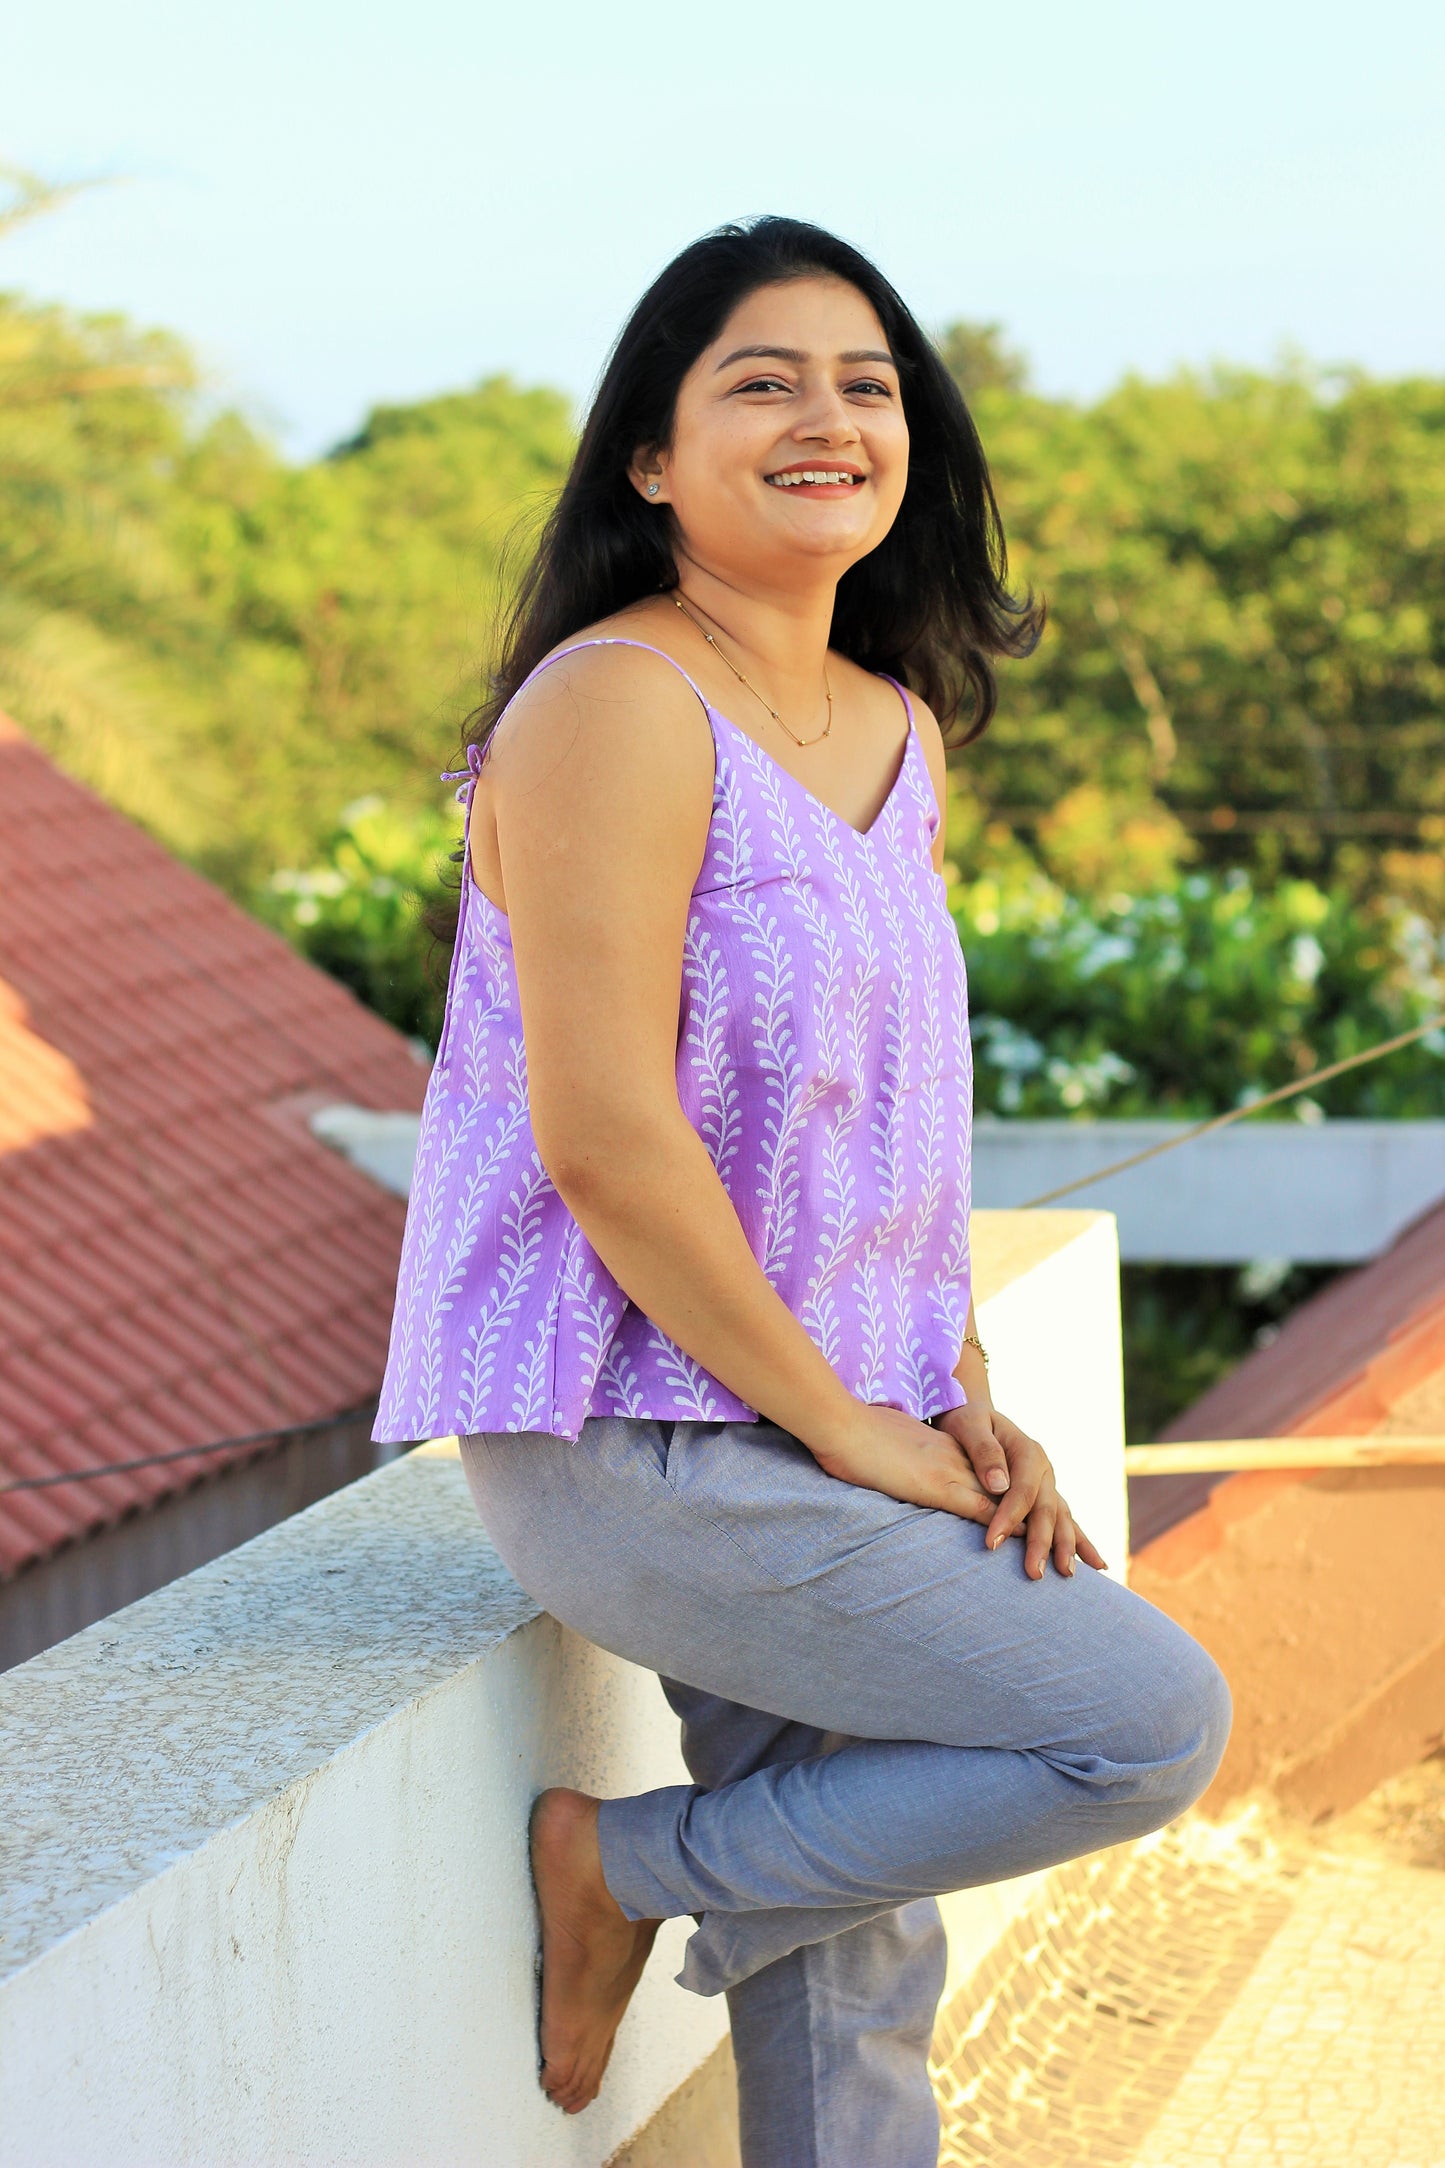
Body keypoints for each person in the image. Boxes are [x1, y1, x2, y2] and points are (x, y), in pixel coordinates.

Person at [374, 216, 1231, 2168]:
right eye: (761, 379)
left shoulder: (895, 730)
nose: (828, 414)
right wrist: (839, 1416)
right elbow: (604, 1127)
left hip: (828, 1410)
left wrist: (958, 1392)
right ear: (650, 463)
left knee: (854, 1943)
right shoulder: (613, 702)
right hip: (634, 1432)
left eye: (867, 381)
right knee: (1143, 1719)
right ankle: (630, 1861)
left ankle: (705, 1903)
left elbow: (876, 1125)